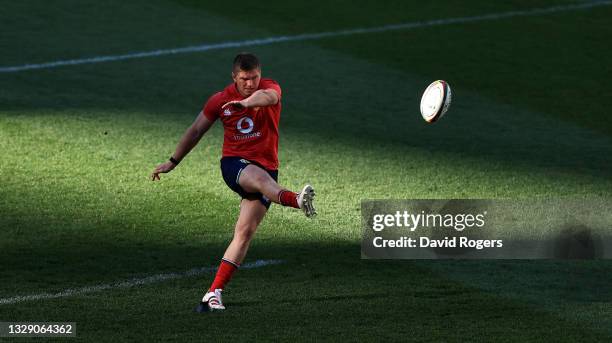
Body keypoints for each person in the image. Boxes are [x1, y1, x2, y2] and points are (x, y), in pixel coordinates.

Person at [151, 52, 316, 312]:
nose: (250, 83)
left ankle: (212, 293)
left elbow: (269, 98)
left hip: (268, 169)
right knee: (259, 179)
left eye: (254, 78)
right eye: (244, 79)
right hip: (234, 164)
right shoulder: (219, 100)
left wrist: (246, 103)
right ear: (234, 77)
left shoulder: (270, 87)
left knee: (244, 233)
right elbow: (196, 130)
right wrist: (173, 161)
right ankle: (297, 200)